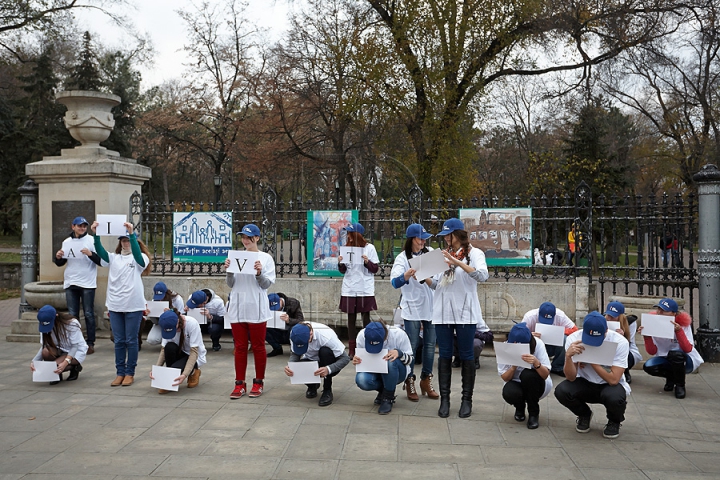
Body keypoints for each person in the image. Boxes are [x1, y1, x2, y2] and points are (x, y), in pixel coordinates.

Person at [425, 218, 489, 419]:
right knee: (444, 355)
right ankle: (445, 400)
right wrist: (422, 275)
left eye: (448, 235)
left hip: (465, 312)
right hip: (443, 311)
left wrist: (456, 262)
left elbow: (482, 276)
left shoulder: (474, 254)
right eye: (443, 236)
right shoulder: (440, 256)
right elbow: (436, 284)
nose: (445, 239)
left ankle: (466, 400)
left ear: (457, 235)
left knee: (466, 355)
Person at [92, 221, 151, 387]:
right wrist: (96, 234)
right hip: (115, 304)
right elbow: (101, 252)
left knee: (131, 340)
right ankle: (120, 372)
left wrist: (132, 234)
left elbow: (139, 258)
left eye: (128, 240)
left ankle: (130, 372)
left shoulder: (141, 258)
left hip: (133, 305)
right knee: (119, 341)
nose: (125, 243)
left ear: (134, 242)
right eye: (123, 240)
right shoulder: (114, 258)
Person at [554, 312, 630, 439]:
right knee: (562, 391)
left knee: (615, 398)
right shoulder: (574, 339)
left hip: (608, 385)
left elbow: (614, 380)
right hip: (584, 381)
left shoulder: (620, 342)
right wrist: (568, 357)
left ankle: (614, 421)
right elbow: (571, 377)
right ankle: (584, 414)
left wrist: (591, 360)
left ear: (606, 330)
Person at [224, 223, 276, 399]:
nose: (245, 240)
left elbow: (266, 284)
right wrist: (229, 271)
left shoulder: (266, 258)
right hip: (238, 307)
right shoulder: (237, 256)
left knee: (258, 346)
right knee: (239, 347)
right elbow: (231, 284)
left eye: (249, 237)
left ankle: (258, 381)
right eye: (243, 237)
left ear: (257, 238)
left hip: (256, 308)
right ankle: (239, 383)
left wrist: (259, 273)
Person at [390, 223, 438, 402]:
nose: (423, 241)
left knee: (431, 345)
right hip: (411, 307)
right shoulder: (402, 258)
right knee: (411, 345)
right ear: (411, 239)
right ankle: (410, 380)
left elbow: (438, 279)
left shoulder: (430, 252)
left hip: (431, 307)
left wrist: (427, 278)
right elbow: (394, 283)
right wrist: (406, 276)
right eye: (420, 239)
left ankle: (426, 379)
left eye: (425, 238)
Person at [53, 216, 100, 354]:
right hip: (71, 281)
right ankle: (75, 342)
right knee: (72, 315)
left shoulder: (91, 240)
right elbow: (61, 263)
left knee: (88, 313)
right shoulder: (67, 242)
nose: (82, 228)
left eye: (84, 226)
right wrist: (58, 257)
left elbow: (100, 260)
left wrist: (90, 254)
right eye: (79, 226)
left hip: (87, 282)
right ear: (72, 226)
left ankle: (90, 343)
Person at [640, 298, 704, 399]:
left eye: (664, 310)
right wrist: (646, 336)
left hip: (685, 359)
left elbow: (687, 348)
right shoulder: (654, 324)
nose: (659, 312)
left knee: (675, 354)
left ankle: (680, 385)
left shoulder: (683, 325)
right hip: (665, 357)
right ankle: (671, 377)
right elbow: (652, 351)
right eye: (658, 309)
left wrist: (679, 331)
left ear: (674, 313)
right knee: (649, 366)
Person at [497, 323, 552, 429]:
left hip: (537, 384)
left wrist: (536, 363)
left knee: (528, 375)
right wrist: (513, 367)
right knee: (509, 392)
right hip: (515, 383)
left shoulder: (538, 344)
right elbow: (505, 377)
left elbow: (545, 375)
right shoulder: (505, 347)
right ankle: (519, 407)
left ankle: (533, 413)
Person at [353, 321, 414, 414]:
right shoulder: (361, 335)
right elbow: (362, 359)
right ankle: (385, 390)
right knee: (361, 379)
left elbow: (411, 360)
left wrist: (399, 353)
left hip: (397, 372)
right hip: (375, 371)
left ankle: (388, 398)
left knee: (390, 361)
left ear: (386, 335)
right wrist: (357, 360)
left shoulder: (399, 334)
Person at [284, 322, 350, 407]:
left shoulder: (326, 336)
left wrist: (328, 369)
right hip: (311, 360)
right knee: (296, 368)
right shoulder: (295, 334)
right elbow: (295, 353)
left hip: (329, 361)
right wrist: (291, 365)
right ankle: (313, 386)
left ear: (311, 333)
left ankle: (327, 390)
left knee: (325, 351)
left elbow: (345, 358)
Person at [338, 223, 379, 357]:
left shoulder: (369, 248)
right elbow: (343, 270)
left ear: (356, 235)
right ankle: (352, 348)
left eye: (350, 233)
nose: (348, 236)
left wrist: (367, 262)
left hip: (364, 287)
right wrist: (340, 263)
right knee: (351, 318)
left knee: (366, 317)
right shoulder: (345, 248)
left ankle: (366, 345)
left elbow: (375, 269)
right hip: (350, 287)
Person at [149, 310, 206, 393]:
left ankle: (193, 371)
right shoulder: (165, 326)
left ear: (178, 322)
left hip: (192, 355)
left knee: (178, 367)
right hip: (179, 352)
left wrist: (184, 374)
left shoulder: (192, 324)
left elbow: (194, 352)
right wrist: (157, 369)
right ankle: (171, 376)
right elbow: (164, 350)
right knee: (169, 347)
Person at [30, 305, 88, 384]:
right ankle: (57, 375)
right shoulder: (43, 325)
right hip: (59, 349)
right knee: (45, 352)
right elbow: (45, 345)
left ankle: (74, 367)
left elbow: (74, 346)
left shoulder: (71, 323)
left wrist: (66, 362)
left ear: (56, 316)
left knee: (55, 366)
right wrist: (34, 361)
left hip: (74, 350)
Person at [521, 302, 578, 376]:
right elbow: (520, 333)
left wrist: (560, 331)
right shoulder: (529, 316)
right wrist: (530, 335)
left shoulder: (560, 315)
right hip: (535, 346)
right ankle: (532, 364)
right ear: (538, 313)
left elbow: (575, 329)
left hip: (553, 347)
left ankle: (557, 367)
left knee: (565, 339)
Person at [603, 301, 641, 383]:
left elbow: (629, 342)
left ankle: (625, 372)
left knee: (622, 350)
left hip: (628, 350)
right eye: (608, 315)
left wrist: (622, 337)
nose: (609, 318)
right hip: (607, 347)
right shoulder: (602, 320)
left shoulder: (630, 322)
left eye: (613, 316)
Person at [145, 282, 185, 346]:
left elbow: (182, 316)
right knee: (152, 340)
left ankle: (170, 339)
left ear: (166, 293)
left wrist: (171, 312)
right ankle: (165, 338)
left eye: (161, 296)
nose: (160, 299)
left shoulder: (177, 299)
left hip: (174, 323)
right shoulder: (154, 300)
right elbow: (155, 322)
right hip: (160, 323)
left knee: (175, 342)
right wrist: (149, 313)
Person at [266, 292, 305, 357]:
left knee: (296, 328)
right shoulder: (265, 306)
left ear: (281, 300)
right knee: (263, 328)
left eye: (277, 307)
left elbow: (301, 321)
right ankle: (277, 348)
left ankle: (294, 349)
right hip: (276, 331)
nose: (277, 310)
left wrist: (289, 320)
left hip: (289, 331)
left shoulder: (293, 303)